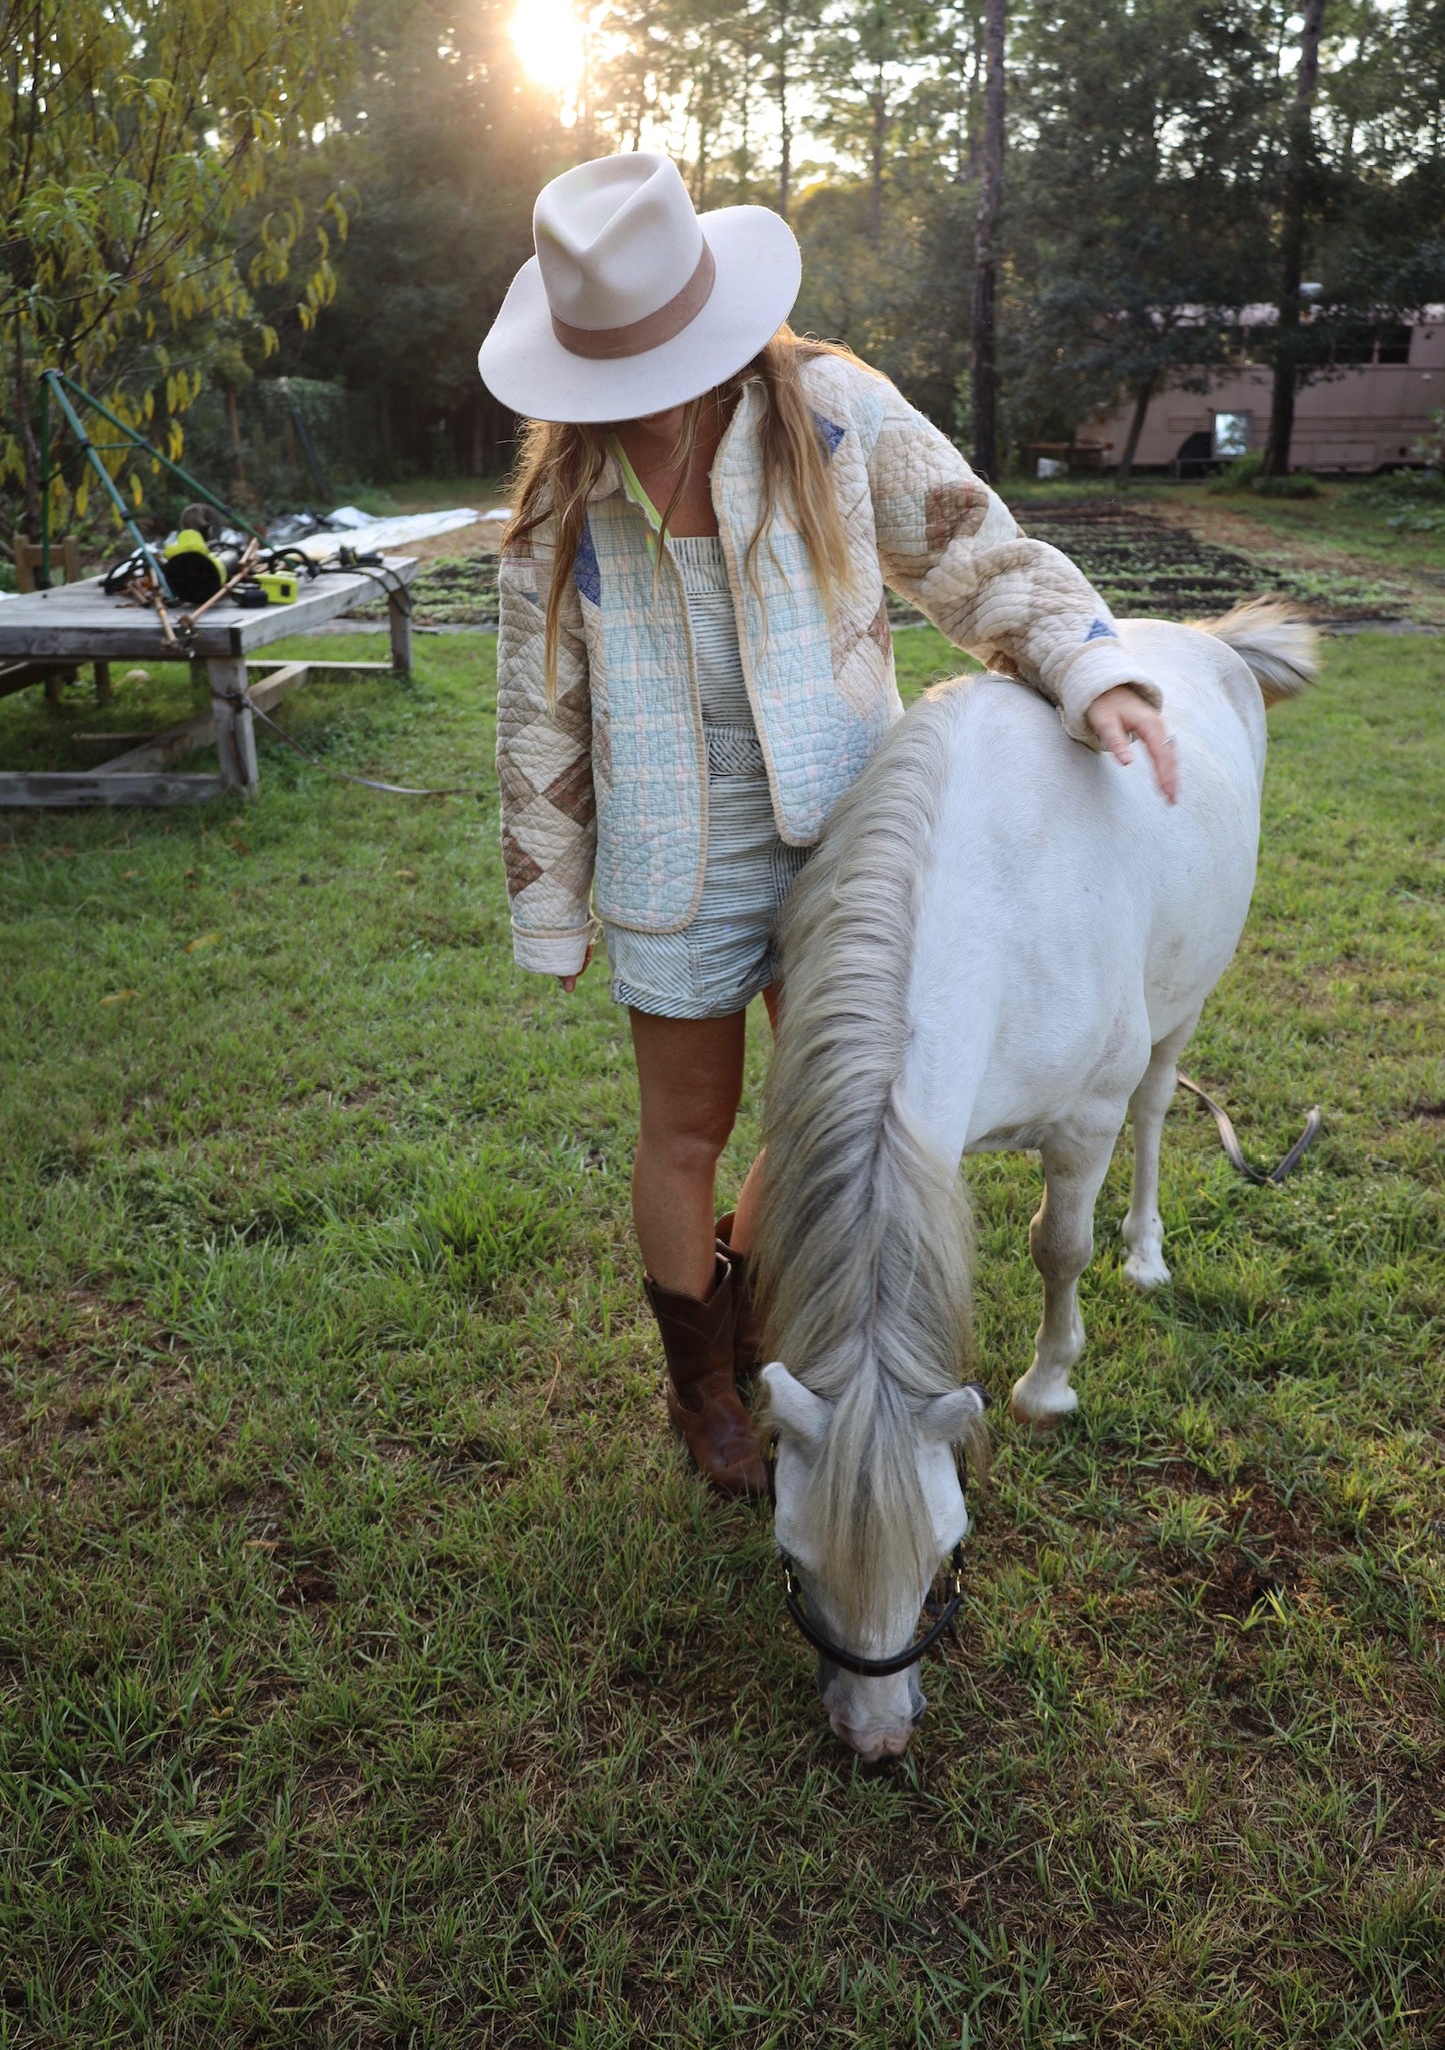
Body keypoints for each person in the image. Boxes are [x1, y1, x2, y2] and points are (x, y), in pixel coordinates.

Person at [478, 151, 1176, 1501]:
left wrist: (1091, 671)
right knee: (685, 1126)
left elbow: (976, 554)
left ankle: (769, 1330)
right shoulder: (559, 508)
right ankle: (700, 1385)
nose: (647, 394)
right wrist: (549, 897)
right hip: (671, 855)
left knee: (829, 1119)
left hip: (848, 835)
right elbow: (537, 721)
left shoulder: (833, 413)